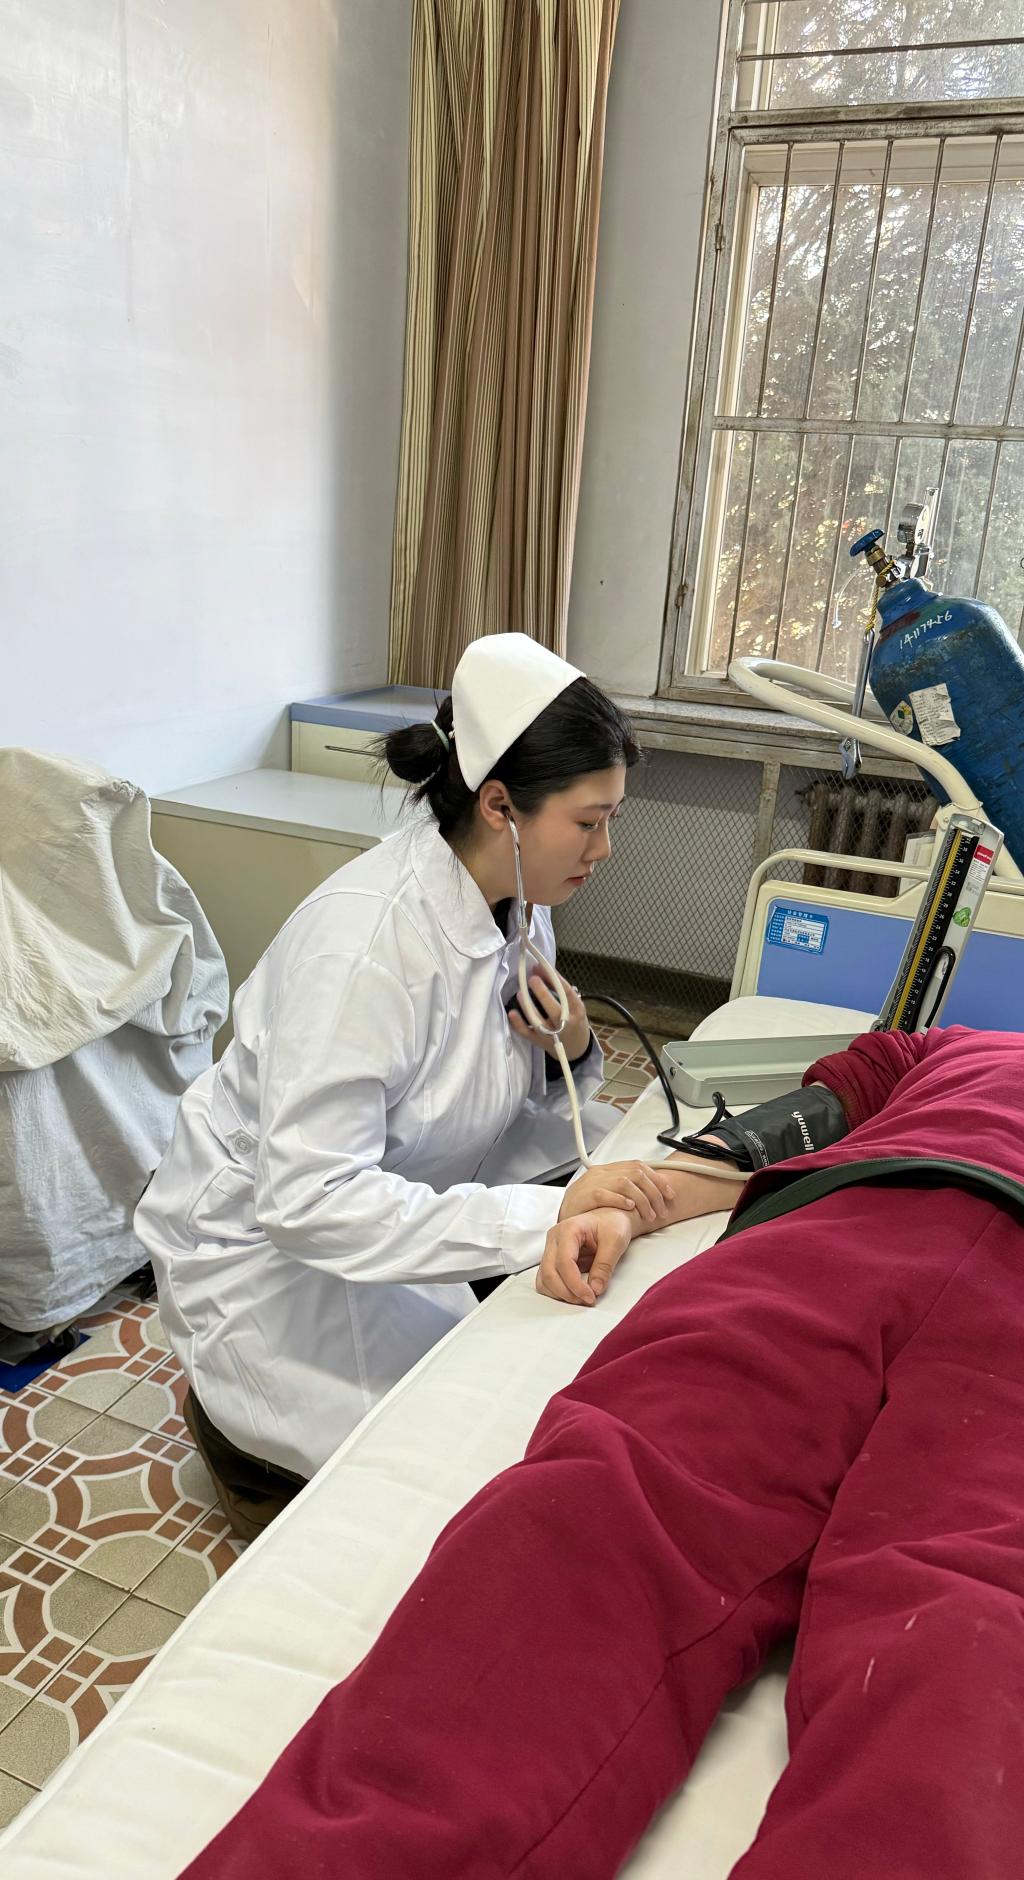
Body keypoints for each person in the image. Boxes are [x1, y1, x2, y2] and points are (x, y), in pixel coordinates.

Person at [179, 1023, 1024, 1878]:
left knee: (965, 1620)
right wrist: (638, 1200)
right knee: (595, 1506)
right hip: (832, 1238)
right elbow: (818, 1108)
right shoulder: (958, 1046)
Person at [135, 633, 675, 1536]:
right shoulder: (364, 949)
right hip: (271, 1264)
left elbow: (494, 1091)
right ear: (499, 806)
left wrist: (571, 1048)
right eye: (589, 822)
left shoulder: (517, 902)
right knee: (464, 1481)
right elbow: (307, 1201)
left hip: (394, 1200)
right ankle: (234, 1423)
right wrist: (546, 1216)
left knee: (552, 1381)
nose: (606, 848)